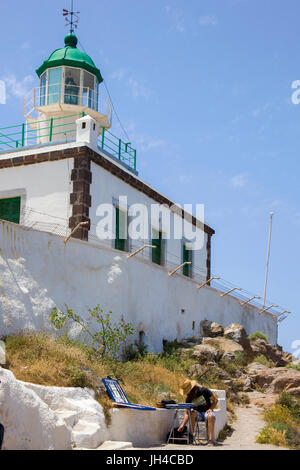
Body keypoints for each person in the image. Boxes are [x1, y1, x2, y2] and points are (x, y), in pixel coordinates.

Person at [177, 379, 218, 446]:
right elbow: (187, 413)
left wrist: (211, 408)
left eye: (189, 392)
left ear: (193, 389)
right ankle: (190, 436)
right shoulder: (188, 398)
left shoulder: (204, 391)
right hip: (197, 413)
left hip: (207, 411)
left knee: (210, 416)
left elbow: (215, 400)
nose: (188, 394)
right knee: (192, 414)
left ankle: (211, 440)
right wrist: (183, 425)